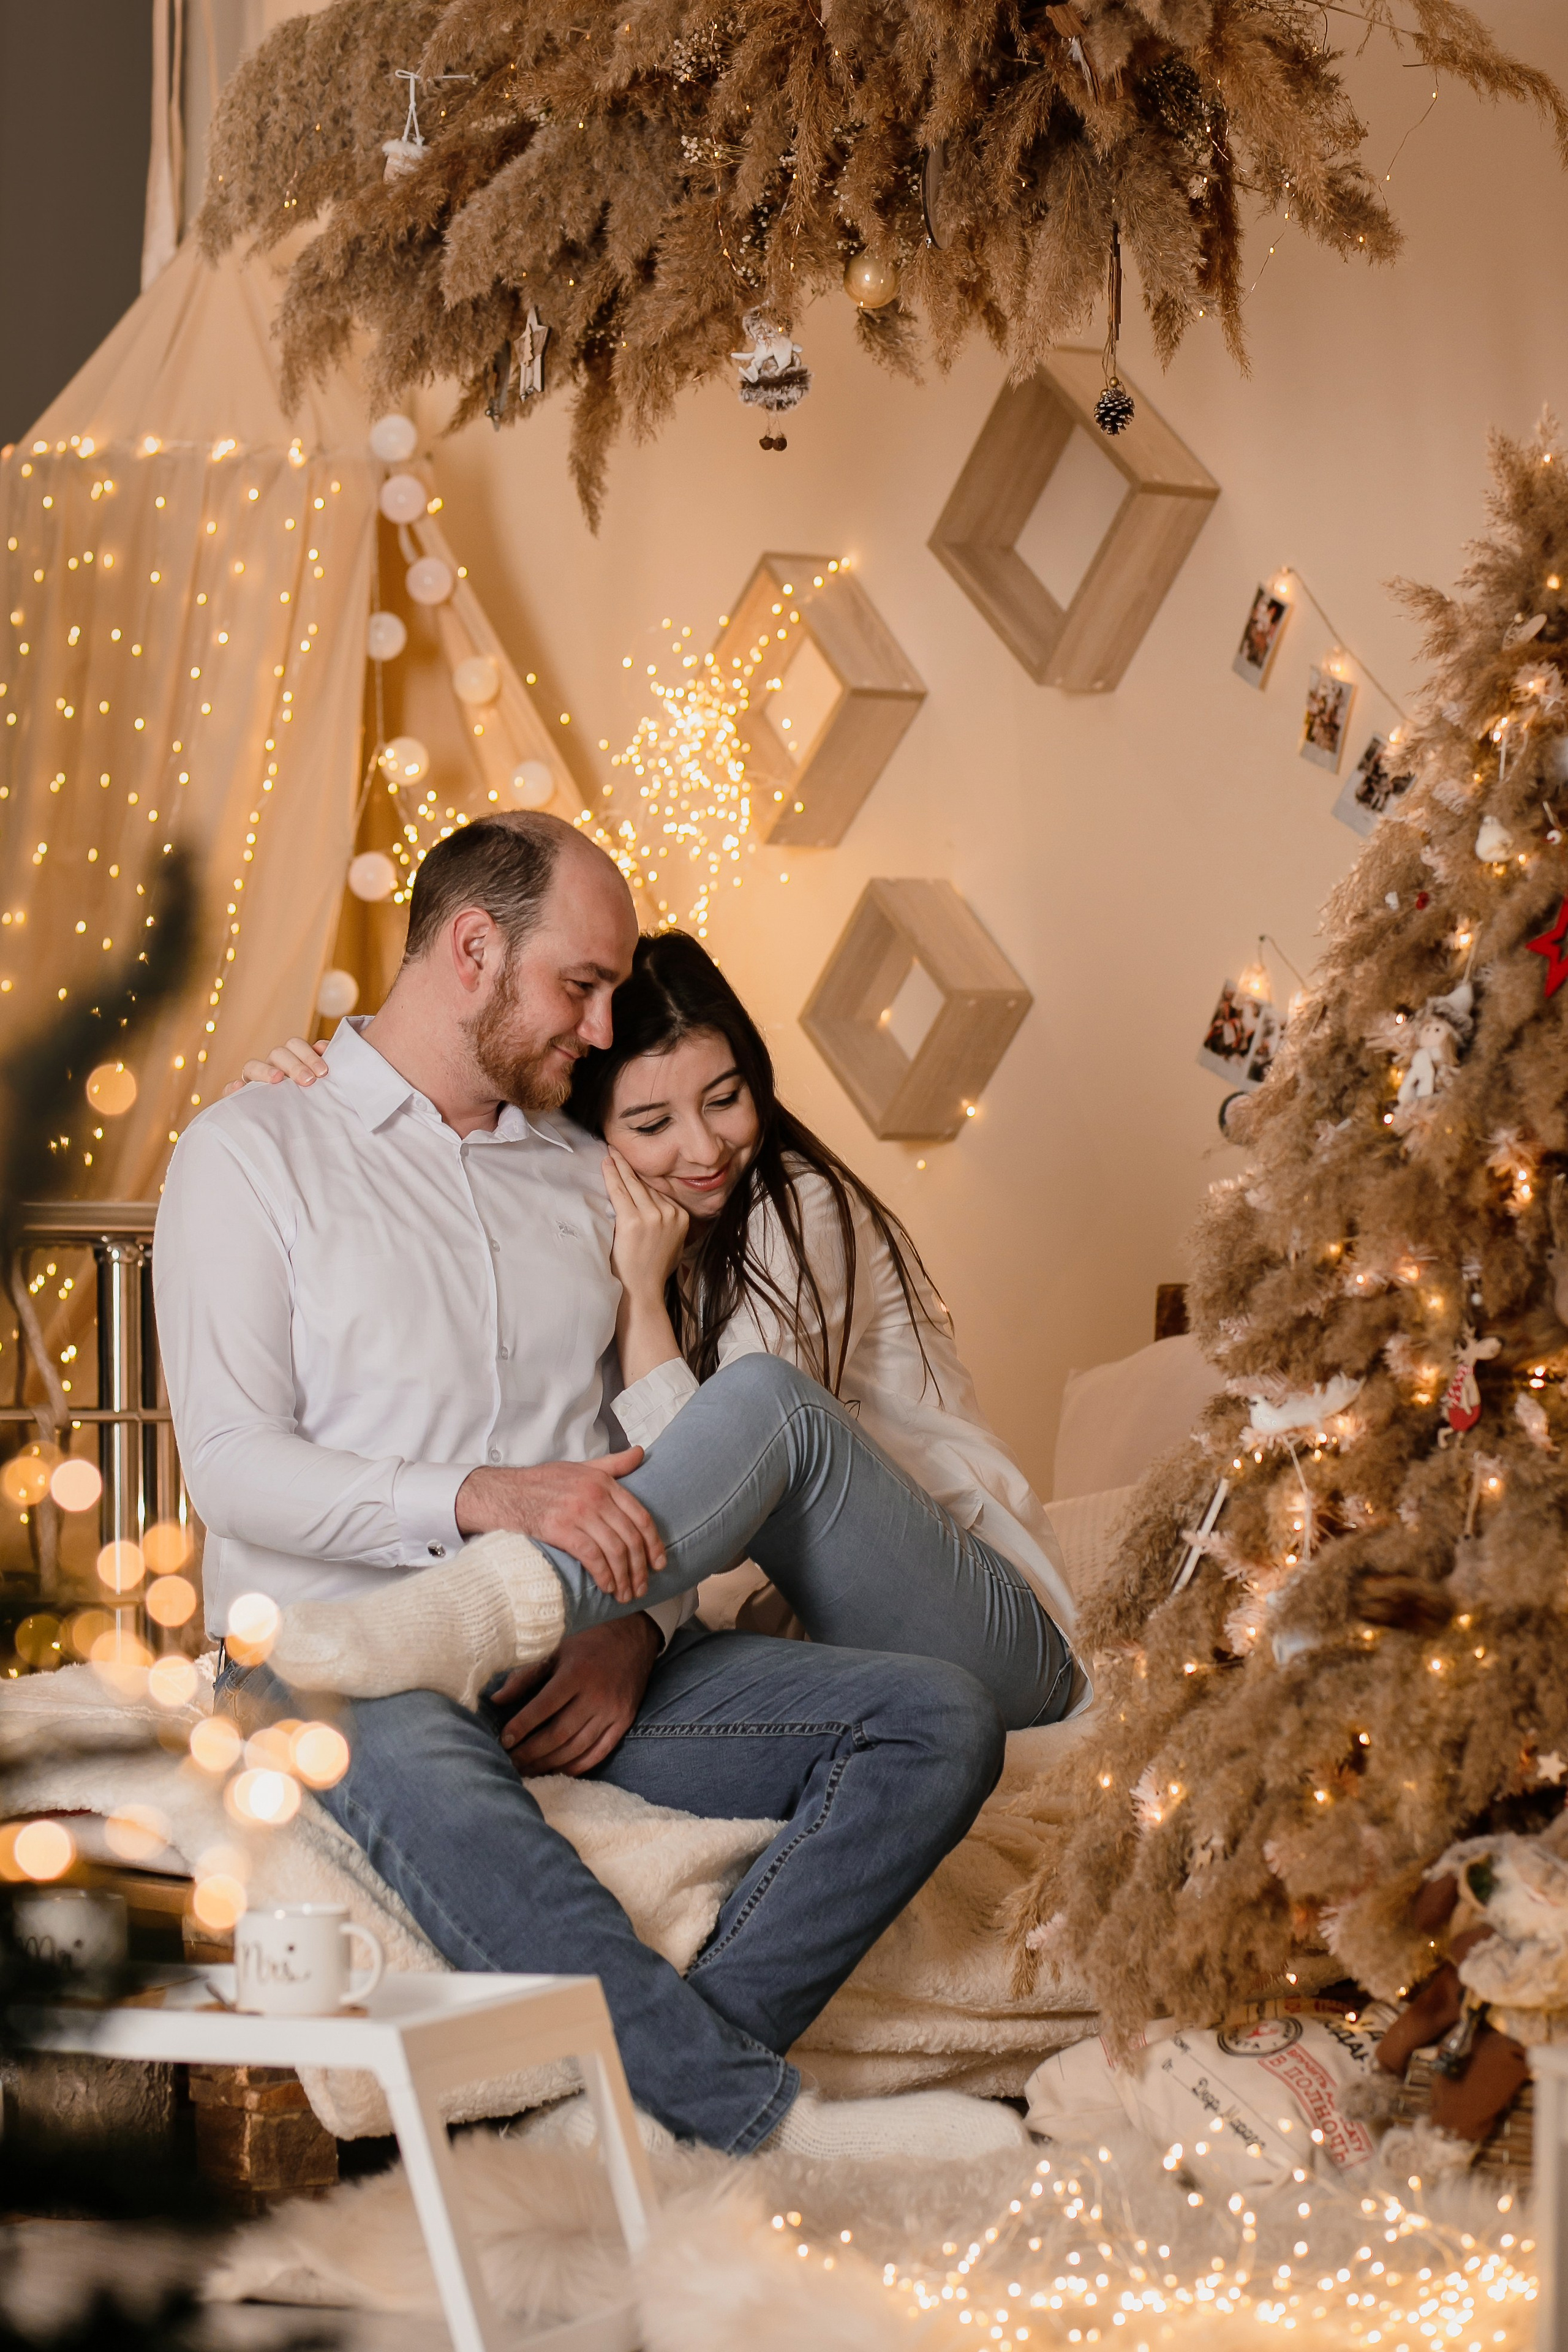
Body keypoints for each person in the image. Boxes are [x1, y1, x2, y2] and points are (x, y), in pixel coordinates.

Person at [159, 810, 1030, 2163]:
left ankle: (607, 2124)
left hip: (576, 1650)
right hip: (340, 1657)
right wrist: (488, 1499)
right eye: (583, 984)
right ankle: (760, 2118)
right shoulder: (254, 1153)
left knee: (936, 1717)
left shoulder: (593, 1178)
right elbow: (233, 1470)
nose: (605, 1016)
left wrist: (639, 1628)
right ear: (469, 951)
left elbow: (657, 1457)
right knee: (427, 1770)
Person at [238, 935, 1080, 1757]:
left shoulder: (803, 1209)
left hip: (993, 1639)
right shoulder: (582, 1218)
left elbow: (742, 1483)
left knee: (761, 1399)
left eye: (725, 1097)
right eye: (651, 1122)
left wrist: (643, 1302)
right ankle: (456, 1638)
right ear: (588, 1135)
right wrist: (321, 1095)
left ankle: (464, 1622)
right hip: (858, 1674)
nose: (707, 1148)